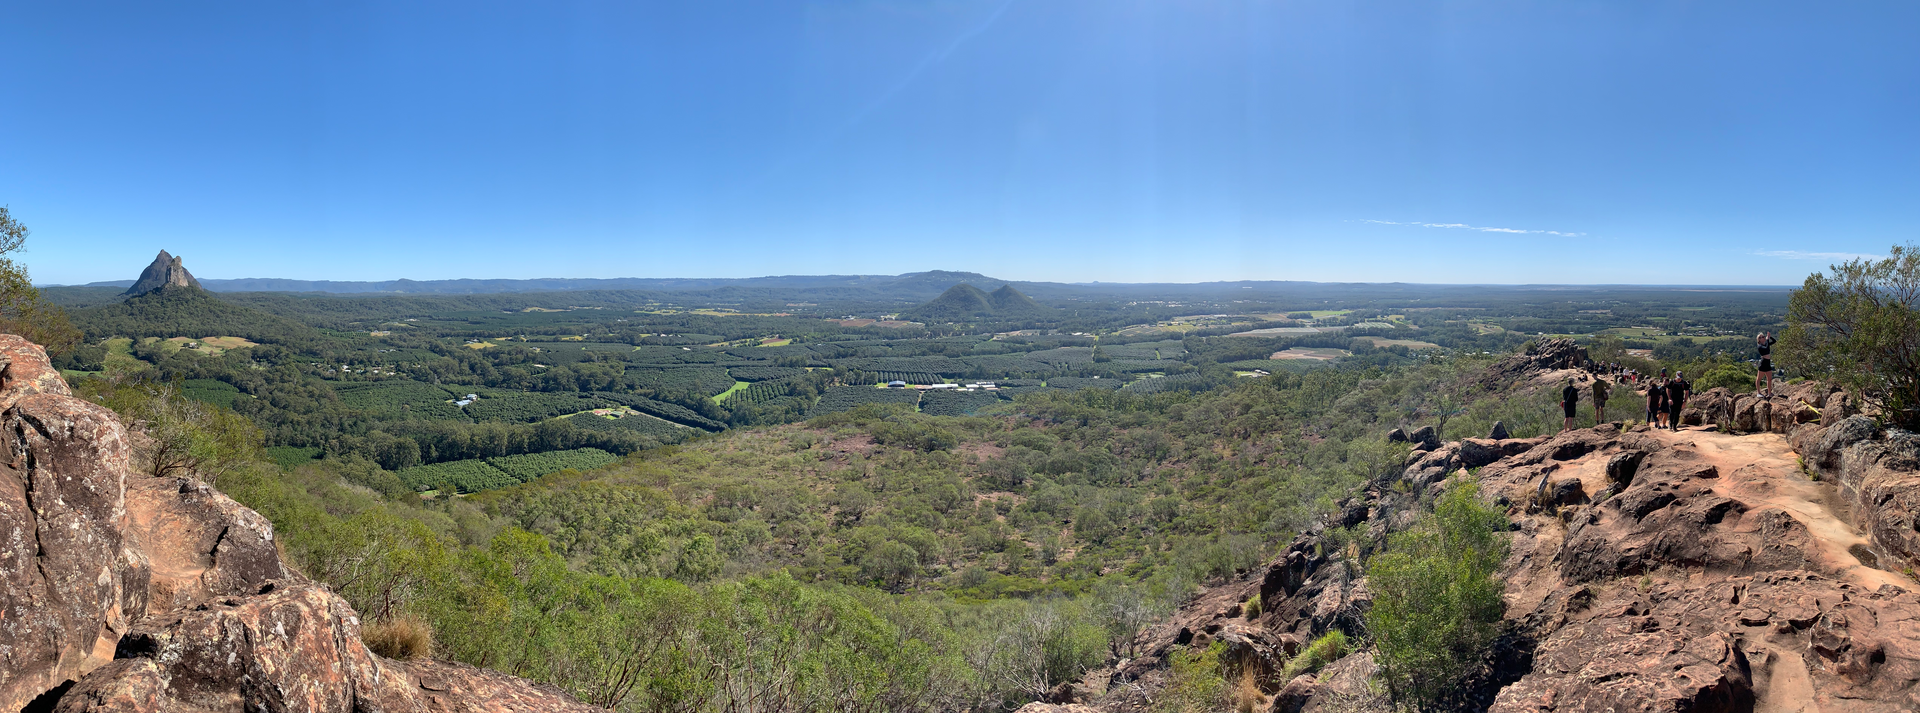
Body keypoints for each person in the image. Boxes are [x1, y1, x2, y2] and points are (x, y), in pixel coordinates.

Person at [1755, 332, 1778, 397]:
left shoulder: (1766, 344)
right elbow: (1767, 349)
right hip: (1763, 363)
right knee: (1759, 379)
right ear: (1758, 339)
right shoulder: (1760, 346)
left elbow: (1774, 341)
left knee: (1769, 379)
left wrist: (1769, 337)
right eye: (1760, 337)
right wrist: (1767, 339)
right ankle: (1758, 393)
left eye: (1763, 336)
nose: (1762, 338)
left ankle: (1769, 393)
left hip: (1768, 363)